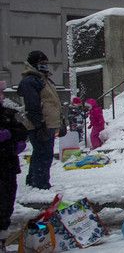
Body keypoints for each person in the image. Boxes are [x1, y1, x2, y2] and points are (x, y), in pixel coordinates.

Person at [17, 50, 62, 190]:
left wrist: (61, 121)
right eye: (42, 63)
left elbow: (53, 102)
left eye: (46, 63)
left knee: (41, 153)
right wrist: (40, 124)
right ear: (34, 64)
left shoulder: (43, 79)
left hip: (47, 123)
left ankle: (34, 181)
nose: (45, 66)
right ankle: (40, 184)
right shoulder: (31, 81)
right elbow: (33, 106)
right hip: (41, 124)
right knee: (44, 154)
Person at [0, 80, 28, 233]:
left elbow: (21, 130)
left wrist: (18, 140)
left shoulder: (7, 114)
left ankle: (2, 234)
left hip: (7, 163)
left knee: (7, 197)